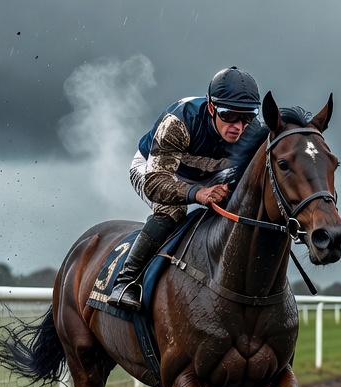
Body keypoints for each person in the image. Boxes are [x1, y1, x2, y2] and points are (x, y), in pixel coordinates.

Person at [107, 66, 261, 310]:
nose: (239, 126)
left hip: (207, 175)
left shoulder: (252, 132)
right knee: (172, 212)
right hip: (155, 169)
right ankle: (126, 281)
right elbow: (155, 183)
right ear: (211, 108)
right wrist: (197, 194)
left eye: (247, 116)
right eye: (229, 115)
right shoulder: (178, 123)